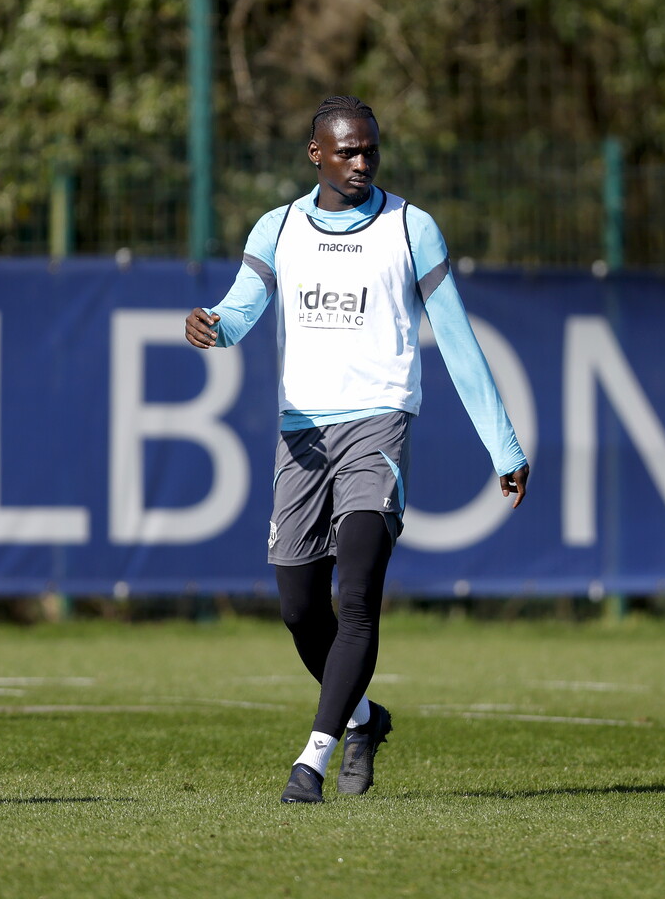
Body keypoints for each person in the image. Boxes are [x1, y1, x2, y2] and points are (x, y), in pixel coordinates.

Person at [185, 96, 529, 804]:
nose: (361, 162)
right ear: (316, 153)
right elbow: (242, 309)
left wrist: (504, 444)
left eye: (370, 149)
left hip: (380, 424)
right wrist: (213, 327)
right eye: (346, 151)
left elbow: (459, 341)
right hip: (301, 433)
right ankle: (365, 719)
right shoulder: (278, 227)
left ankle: (311, 759)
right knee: (298, 608)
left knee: (359, 596)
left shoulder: (411, 228)